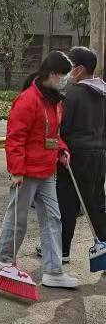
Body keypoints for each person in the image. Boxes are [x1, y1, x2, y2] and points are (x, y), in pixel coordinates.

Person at [0, 51, 79, 289]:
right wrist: (16, 170)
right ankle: (4, 258)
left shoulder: (55, 100)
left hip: (47, 170)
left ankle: (53, 271)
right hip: (27, 171)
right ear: (51, 74)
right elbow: (15, 137)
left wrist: (61, 149)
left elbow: (53, 133)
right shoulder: (28, 100)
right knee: (18, 217)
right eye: (63, 75)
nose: (65, 80)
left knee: (53, 218)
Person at [39, 47, 106, 264]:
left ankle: (62, 250)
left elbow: (62, 127)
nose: (67, 72)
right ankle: (104, 248)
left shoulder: (72, 95)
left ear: (80, 69)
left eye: (70, 67)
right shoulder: (103, 93)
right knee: (97, 203)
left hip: (73, 156)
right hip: (98, 156)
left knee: (67, 203)